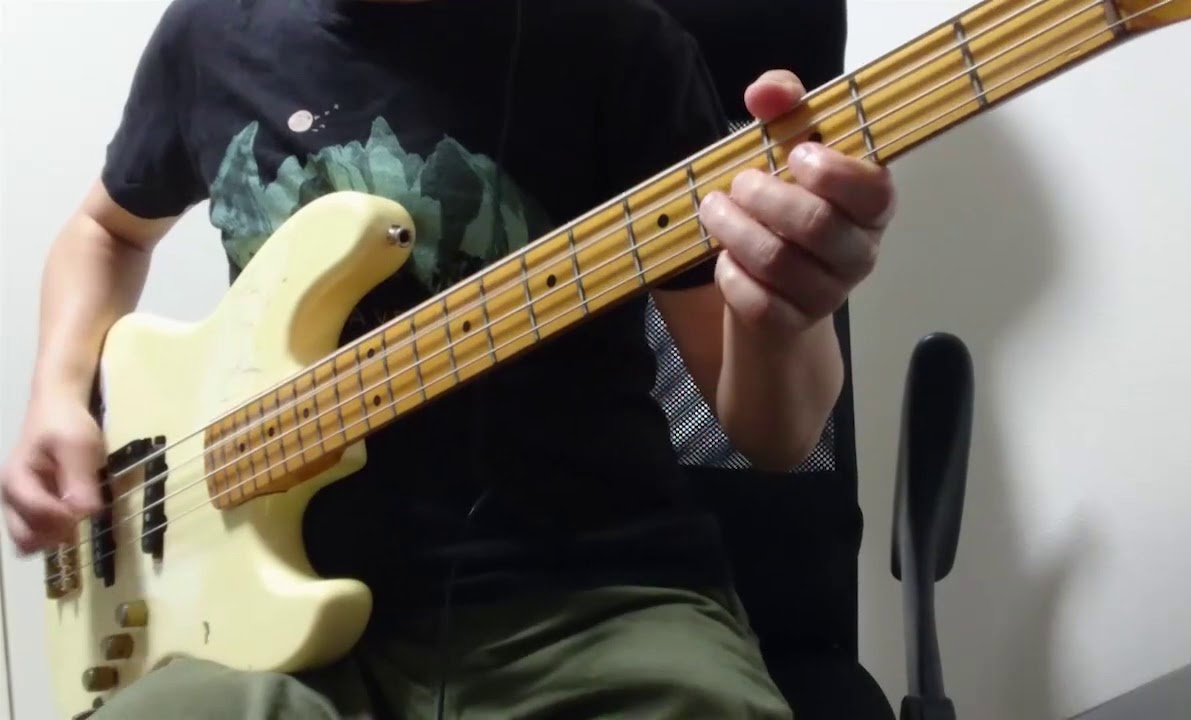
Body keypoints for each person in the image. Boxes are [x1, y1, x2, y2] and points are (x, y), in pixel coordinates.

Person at [0, 0, 895, 717]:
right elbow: (105, 230)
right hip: (264, 626)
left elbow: (773, 436)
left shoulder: (616, 41)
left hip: (593, 602)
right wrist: (57, 394)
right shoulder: (210, 35)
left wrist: (785, 314)